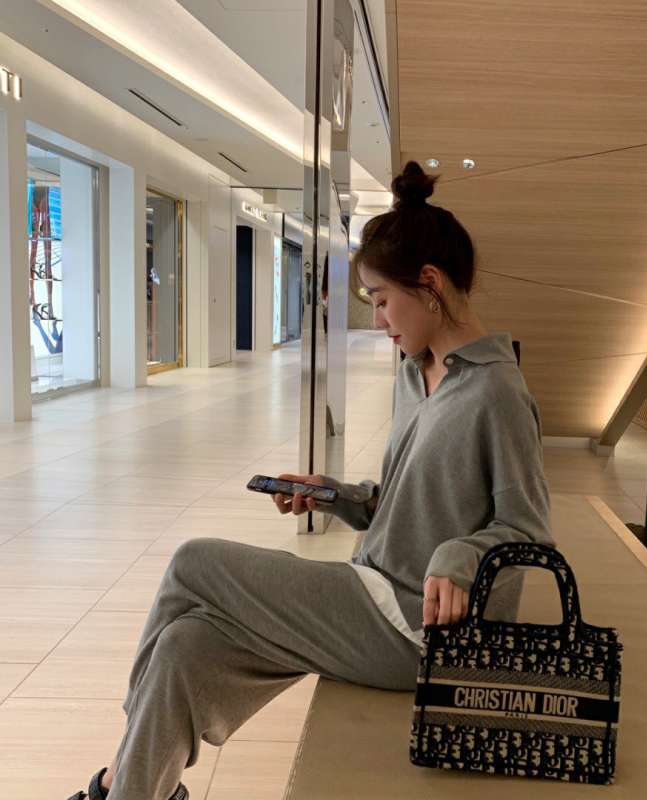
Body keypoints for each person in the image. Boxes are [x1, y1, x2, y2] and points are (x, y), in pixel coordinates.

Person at [66, 161, 554, 800]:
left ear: (430, 284)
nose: (378, 320)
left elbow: (529, 531)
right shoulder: (417, 375)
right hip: (370, 589)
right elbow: (403, 503)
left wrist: (461, 555)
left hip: (416, 625)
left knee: (192, 563)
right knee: (186, 647)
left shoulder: (498, 393)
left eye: (382, 300)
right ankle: (128, 788)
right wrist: (336, 493)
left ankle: (112, 774)